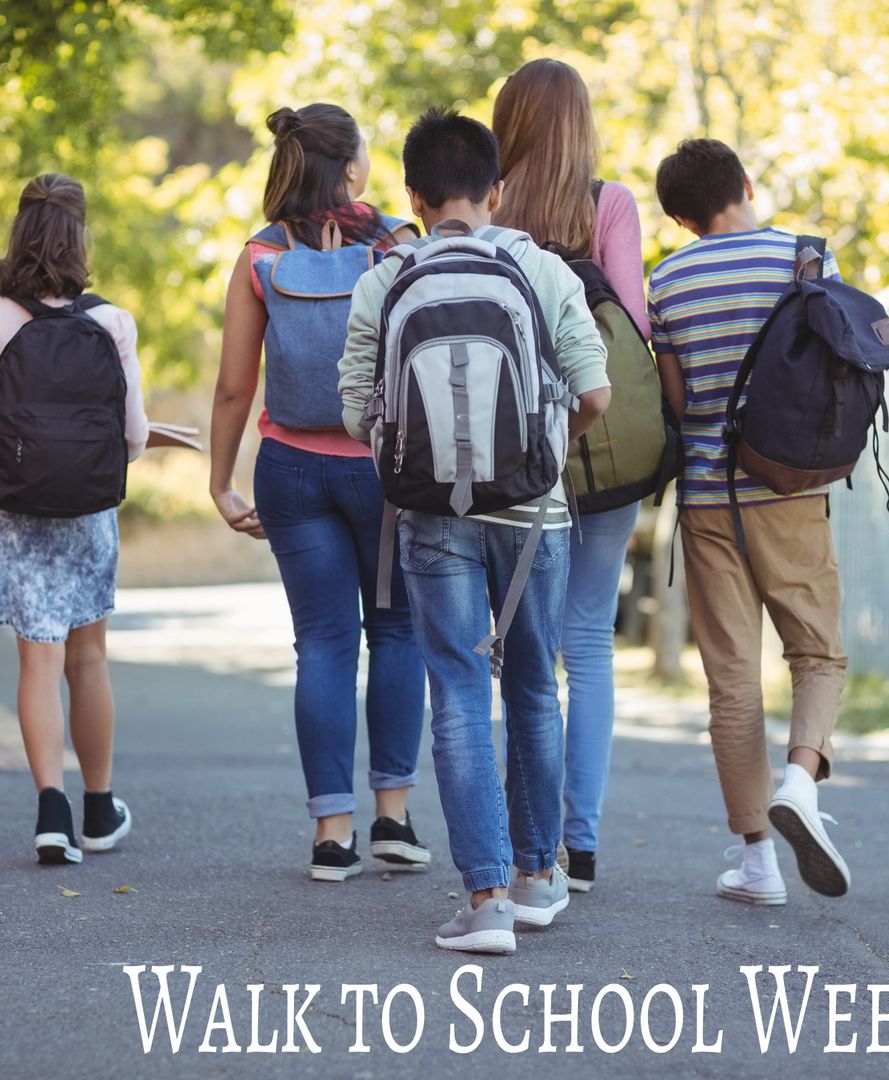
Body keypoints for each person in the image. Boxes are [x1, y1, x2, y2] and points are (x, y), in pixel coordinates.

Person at [339, 107, 610, 953]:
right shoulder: (542, 269)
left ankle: (486, 898)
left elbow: (355, 413)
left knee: (457, 690)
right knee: (534, 684)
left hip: (430, 515)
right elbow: (596, 393)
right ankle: (537, 877)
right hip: (535, 515)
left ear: (413, 196)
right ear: (497, 189)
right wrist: (541, 451)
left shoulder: (386, 277)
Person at [210, 103, 429, 883]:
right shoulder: (397, 243)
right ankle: (394, 821)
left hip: (289, 472)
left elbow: (236, 388)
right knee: (398, 632)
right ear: (352, 167)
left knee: (324, 644)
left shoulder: (259, 254)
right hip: (384, 469)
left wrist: (220, 481)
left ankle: (331, 835)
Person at [648, 139, 850, 906]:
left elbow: (676, 401)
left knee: (732, 682)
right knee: (818, 653)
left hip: (708, 500)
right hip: (791, 491)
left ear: (679, 217)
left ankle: (758, 863)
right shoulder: (806, 262)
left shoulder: (667, 279)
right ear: (747, 184)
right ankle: (801, 781)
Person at [491, 57, 649, 894]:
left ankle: (530, 841)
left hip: (516, 453)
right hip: (608, 448)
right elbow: (633, 325)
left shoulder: (490, 208)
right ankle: (578, 844)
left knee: (525, 645)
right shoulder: (609, 204)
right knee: (588, 641)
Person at [0, 173, 148, 864]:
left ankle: (50, 813)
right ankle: (98, 807)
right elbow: (136, 437)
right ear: (78, 234)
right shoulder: (111, 321)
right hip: (88, 510)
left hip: (16, 507)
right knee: (88, 659)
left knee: (37, 656)